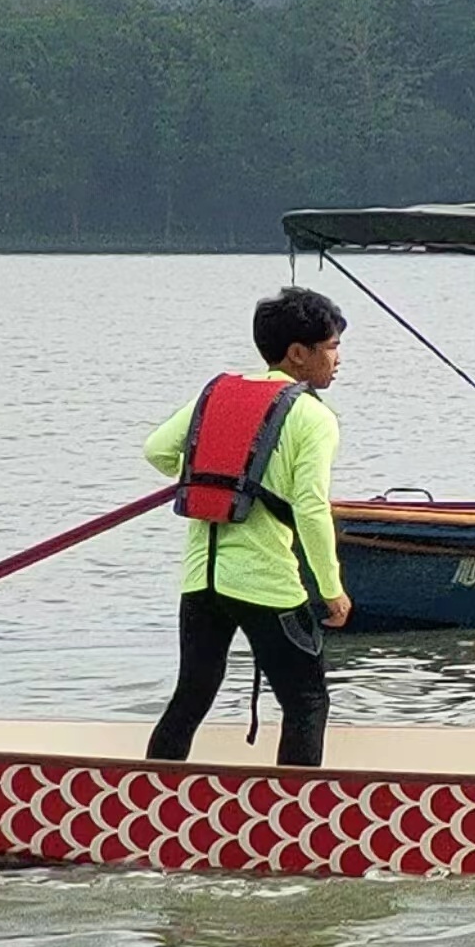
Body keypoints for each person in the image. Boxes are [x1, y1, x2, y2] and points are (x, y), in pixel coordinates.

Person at [142, 287, 353, 767]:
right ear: (298, 354)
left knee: (193, 694)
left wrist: (202, 470)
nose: (338, 359)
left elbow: (156, 450)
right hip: (265, 582)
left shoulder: (218, 393)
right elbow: (311, 508)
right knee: (306, 701)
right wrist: (331, 589)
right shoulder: (313, 415)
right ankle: (295, 806)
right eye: (332, 347)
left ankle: (149, 790)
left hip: (202, 579)